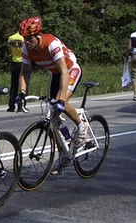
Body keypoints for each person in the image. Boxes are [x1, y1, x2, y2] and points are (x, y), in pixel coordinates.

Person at [16, 17, 87, 173]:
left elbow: (64, 71)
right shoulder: (26, 49)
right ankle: (65, 152)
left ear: (38, 35)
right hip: (55, 74)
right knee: (53, 116)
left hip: (69, 70)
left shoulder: (51, 44)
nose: (27, 42)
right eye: (25, 38)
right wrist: (21, 93)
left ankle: (82, 126)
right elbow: (24, 73)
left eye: (30, 38)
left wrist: (61, 99)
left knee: (60, 103)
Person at [7, 31, 25, 112]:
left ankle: (11, 105)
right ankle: (21, 105)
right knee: (23, 84)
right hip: (23, 61)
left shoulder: (11, 38)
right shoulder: (23, 38)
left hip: (14, 61)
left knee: (14, 85)